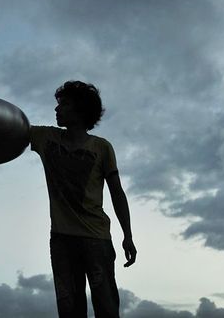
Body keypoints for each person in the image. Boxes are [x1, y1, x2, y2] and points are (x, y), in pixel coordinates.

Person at [30, 81, 137, 318]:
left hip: (96, 238)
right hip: (61, 239)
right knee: (69, 309)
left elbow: (117, 193)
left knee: (107, 308)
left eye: (64, 104)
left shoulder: (102, 148)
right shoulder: (45, 137)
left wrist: (127, 235)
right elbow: (10, 129)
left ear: (80, 110)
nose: (57, 110)